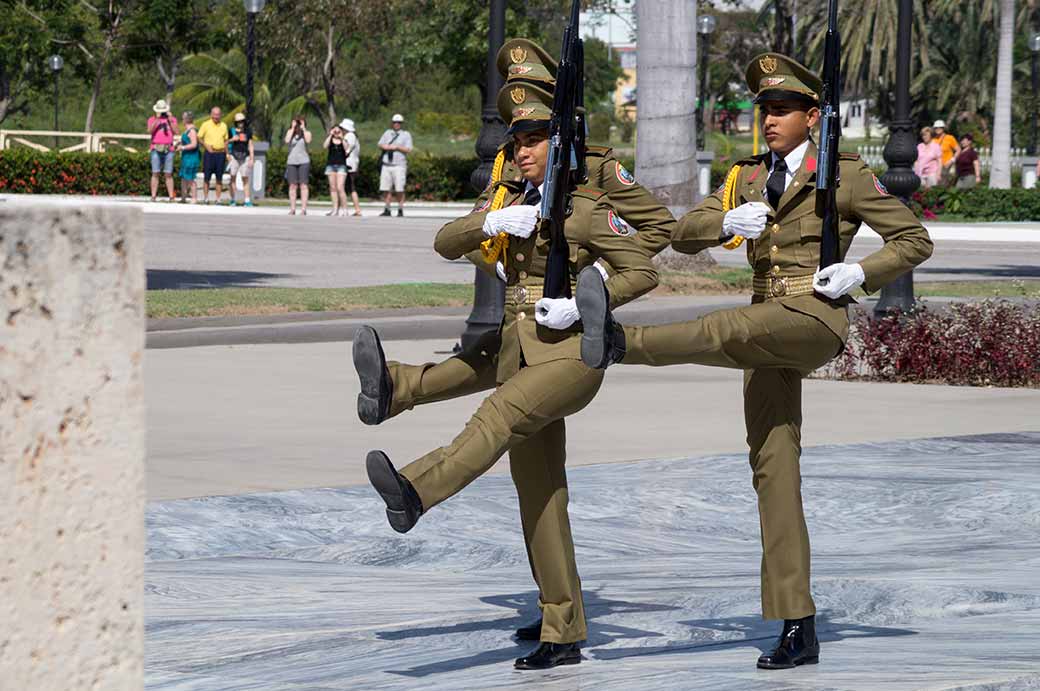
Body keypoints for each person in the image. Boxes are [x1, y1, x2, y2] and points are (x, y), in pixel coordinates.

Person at [574, 53, 933, 671]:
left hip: (814, 316)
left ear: (813, 117)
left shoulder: (842, 174)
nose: (768, 118)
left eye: (782, 109)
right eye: (764, 108)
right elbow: (680, 232)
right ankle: (799, 622)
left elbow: (915, 239)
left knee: (722, 326)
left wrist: (860, 271)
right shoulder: (744, 176)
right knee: (773, 470)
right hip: (767, 321)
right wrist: (723, 223)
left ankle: (616, 344)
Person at [360, 82, 658, 670]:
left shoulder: (584, 208)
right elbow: (446, 242)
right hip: (522, 354)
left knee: (493, 416)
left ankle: (417, 490)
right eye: (517, 140)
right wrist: (497, 218)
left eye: (535, 140)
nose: (522, 151)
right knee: (540, 496)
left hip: (572, 356)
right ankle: (562, 626)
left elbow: (642, 269)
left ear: (563, 143)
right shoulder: (512, 198)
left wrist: (584, 298)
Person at [353, 36, 674, 433]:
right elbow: (470, 232)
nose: (524, 107)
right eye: (516, 97)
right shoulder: (512, 166)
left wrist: (601, 277)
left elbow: (659, 225)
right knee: (497, 362)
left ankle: (398, 390)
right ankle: (395, 387)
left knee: (503, 387)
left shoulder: (595, 164)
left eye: (538, 96)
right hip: (522, 310)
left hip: (572, 321)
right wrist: (495, 259)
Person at [378, 113, 413, 216]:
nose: (396, 124)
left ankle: (400, 208)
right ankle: (387, 208)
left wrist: (397, 147)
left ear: (401, 124)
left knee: (399, 188)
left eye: (398, 122)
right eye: (394, 122)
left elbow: (408, 149)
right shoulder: (387, 133)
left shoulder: (406, 135)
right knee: (386, 188)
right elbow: (380, 144)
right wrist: (387, 147)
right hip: (387, 164)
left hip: (399, 165)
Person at [147, 99, 179, 202]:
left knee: (168, 173)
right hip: (156, 147)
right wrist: (157, 120)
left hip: (168, 148)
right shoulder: (152, 119)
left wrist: (170, 120)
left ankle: (171, 196)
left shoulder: (172, 119)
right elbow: (150, 131)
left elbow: (176, 131)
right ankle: (153, 196)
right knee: (155, 172)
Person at [197, 107, 229, 204]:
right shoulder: (205, 124)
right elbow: (199, 137)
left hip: (220, 153)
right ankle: (206, 198)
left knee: (219, 178)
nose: (216, 116)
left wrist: (227, 153)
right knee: (207, 177)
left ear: (220, 115)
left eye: (218, 114)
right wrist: (206, 146)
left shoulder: (224, 125)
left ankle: (218, 199)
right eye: (214, 114)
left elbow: (226, 140)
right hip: (209, 154)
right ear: (211, 114)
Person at [284, 114, 312, 215]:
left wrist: (303, 128)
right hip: (291, 161)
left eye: (299, 122)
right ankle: (292, 208)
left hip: (304, 161)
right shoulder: (290, 133)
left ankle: (303, 209)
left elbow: (308, 140)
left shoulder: (306, 133)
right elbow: (287, 140)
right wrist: (292, 128)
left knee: (303, 185)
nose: (298, 124)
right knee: (292, 185)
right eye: (297, 122)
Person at [227, 112, 255, 207]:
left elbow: (250, 145)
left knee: (245, 178)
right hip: (234, 156)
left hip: (245, 156)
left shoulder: (248, 131)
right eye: (238, 122)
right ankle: (232, 199)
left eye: (242, 121)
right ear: (235, 122)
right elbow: (225, 143)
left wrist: (252, 158)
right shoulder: (231, 131)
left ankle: (247, 200)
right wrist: (232, 140)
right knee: (232, 178)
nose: (240, 123)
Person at [323, 124, 349, 216]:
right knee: (333, 188)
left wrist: (342, 138)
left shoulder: (344, 140)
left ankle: (345, 209)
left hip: (341, 165)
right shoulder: (330, 140)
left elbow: (346, 148)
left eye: (338, 131)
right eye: (335, 131)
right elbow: (324, 146)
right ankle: (335, 209)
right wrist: (330, 135)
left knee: (340, 187)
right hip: (331, 165)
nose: (336, 133)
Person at [341, 118, 363, 216]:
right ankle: (356, 209)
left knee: (349, 188)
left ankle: (357, 209)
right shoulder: (353, 136)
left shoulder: (349, 136)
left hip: (349, 164)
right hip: (352, 164)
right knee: (349, 188)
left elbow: (347, 149)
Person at [177, 111, 200, 203]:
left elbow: (194, 144)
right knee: (184, 177)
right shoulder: (187, 130)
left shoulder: (192, 131)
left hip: (191, 157)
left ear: (186, 119)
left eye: (183, 118)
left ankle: (194, 198)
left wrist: (182, 147)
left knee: (190, 178)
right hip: (186, 156)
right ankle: (183, 197)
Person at [932, 119, 960, 184]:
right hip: (935, 167)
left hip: (946, 167)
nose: (938, 129)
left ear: (943, 128)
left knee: (943, 186)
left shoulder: (950, 138)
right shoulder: (933, 139)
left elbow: (958, 150)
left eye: (940, 127)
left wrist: (951, 160)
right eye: (936, 128)